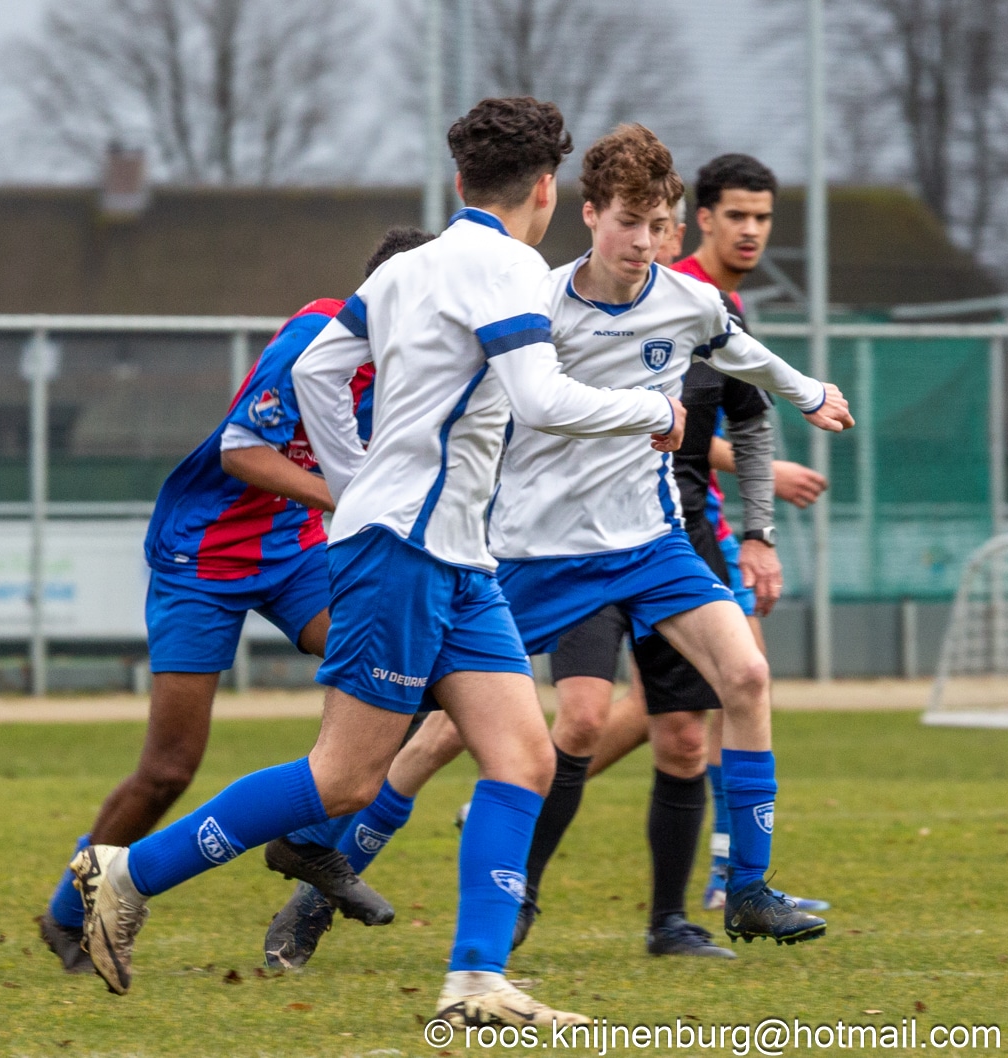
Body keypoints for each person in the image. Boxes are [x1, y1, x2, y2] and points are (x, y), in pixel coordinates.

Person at [70, 97, 683, 1033]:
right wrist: (652, 412)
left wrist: (359, 479)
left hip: (453, 554)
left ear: (460, 181)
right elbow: (540, 398)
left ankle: (476, 984)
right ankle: (126, 873)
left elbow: (319, 372)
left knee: (523, 757)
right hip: (405, 552)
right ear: (548, 189)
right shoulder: (513, 268)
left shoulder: (409, 266)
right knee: (344, 779)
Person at [36, 226, 434, 974]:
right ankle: (69, 911)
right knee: (169, 768)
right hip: (202, 555)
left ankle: (306, 844)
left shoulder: (412, 367)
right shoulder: (317, 340)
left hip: (292, 549)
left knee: (403, 669)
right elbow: (241, 451)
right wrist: (346, 501)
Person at [580, 154, 829, 914]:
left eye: (764, 218)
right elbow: (661, 424)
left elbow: (746, 416)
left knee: (721, 693)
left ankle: (729, 880)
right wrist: (763, 480)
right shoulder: (657, 289)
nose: (752, 231)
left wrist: (760, 527)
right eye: (738, 216)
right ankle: (513, 788)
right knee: (619, 709)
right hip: (602, 532)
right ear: (704, 222)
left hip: (684, 532)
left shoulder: (717, 306)